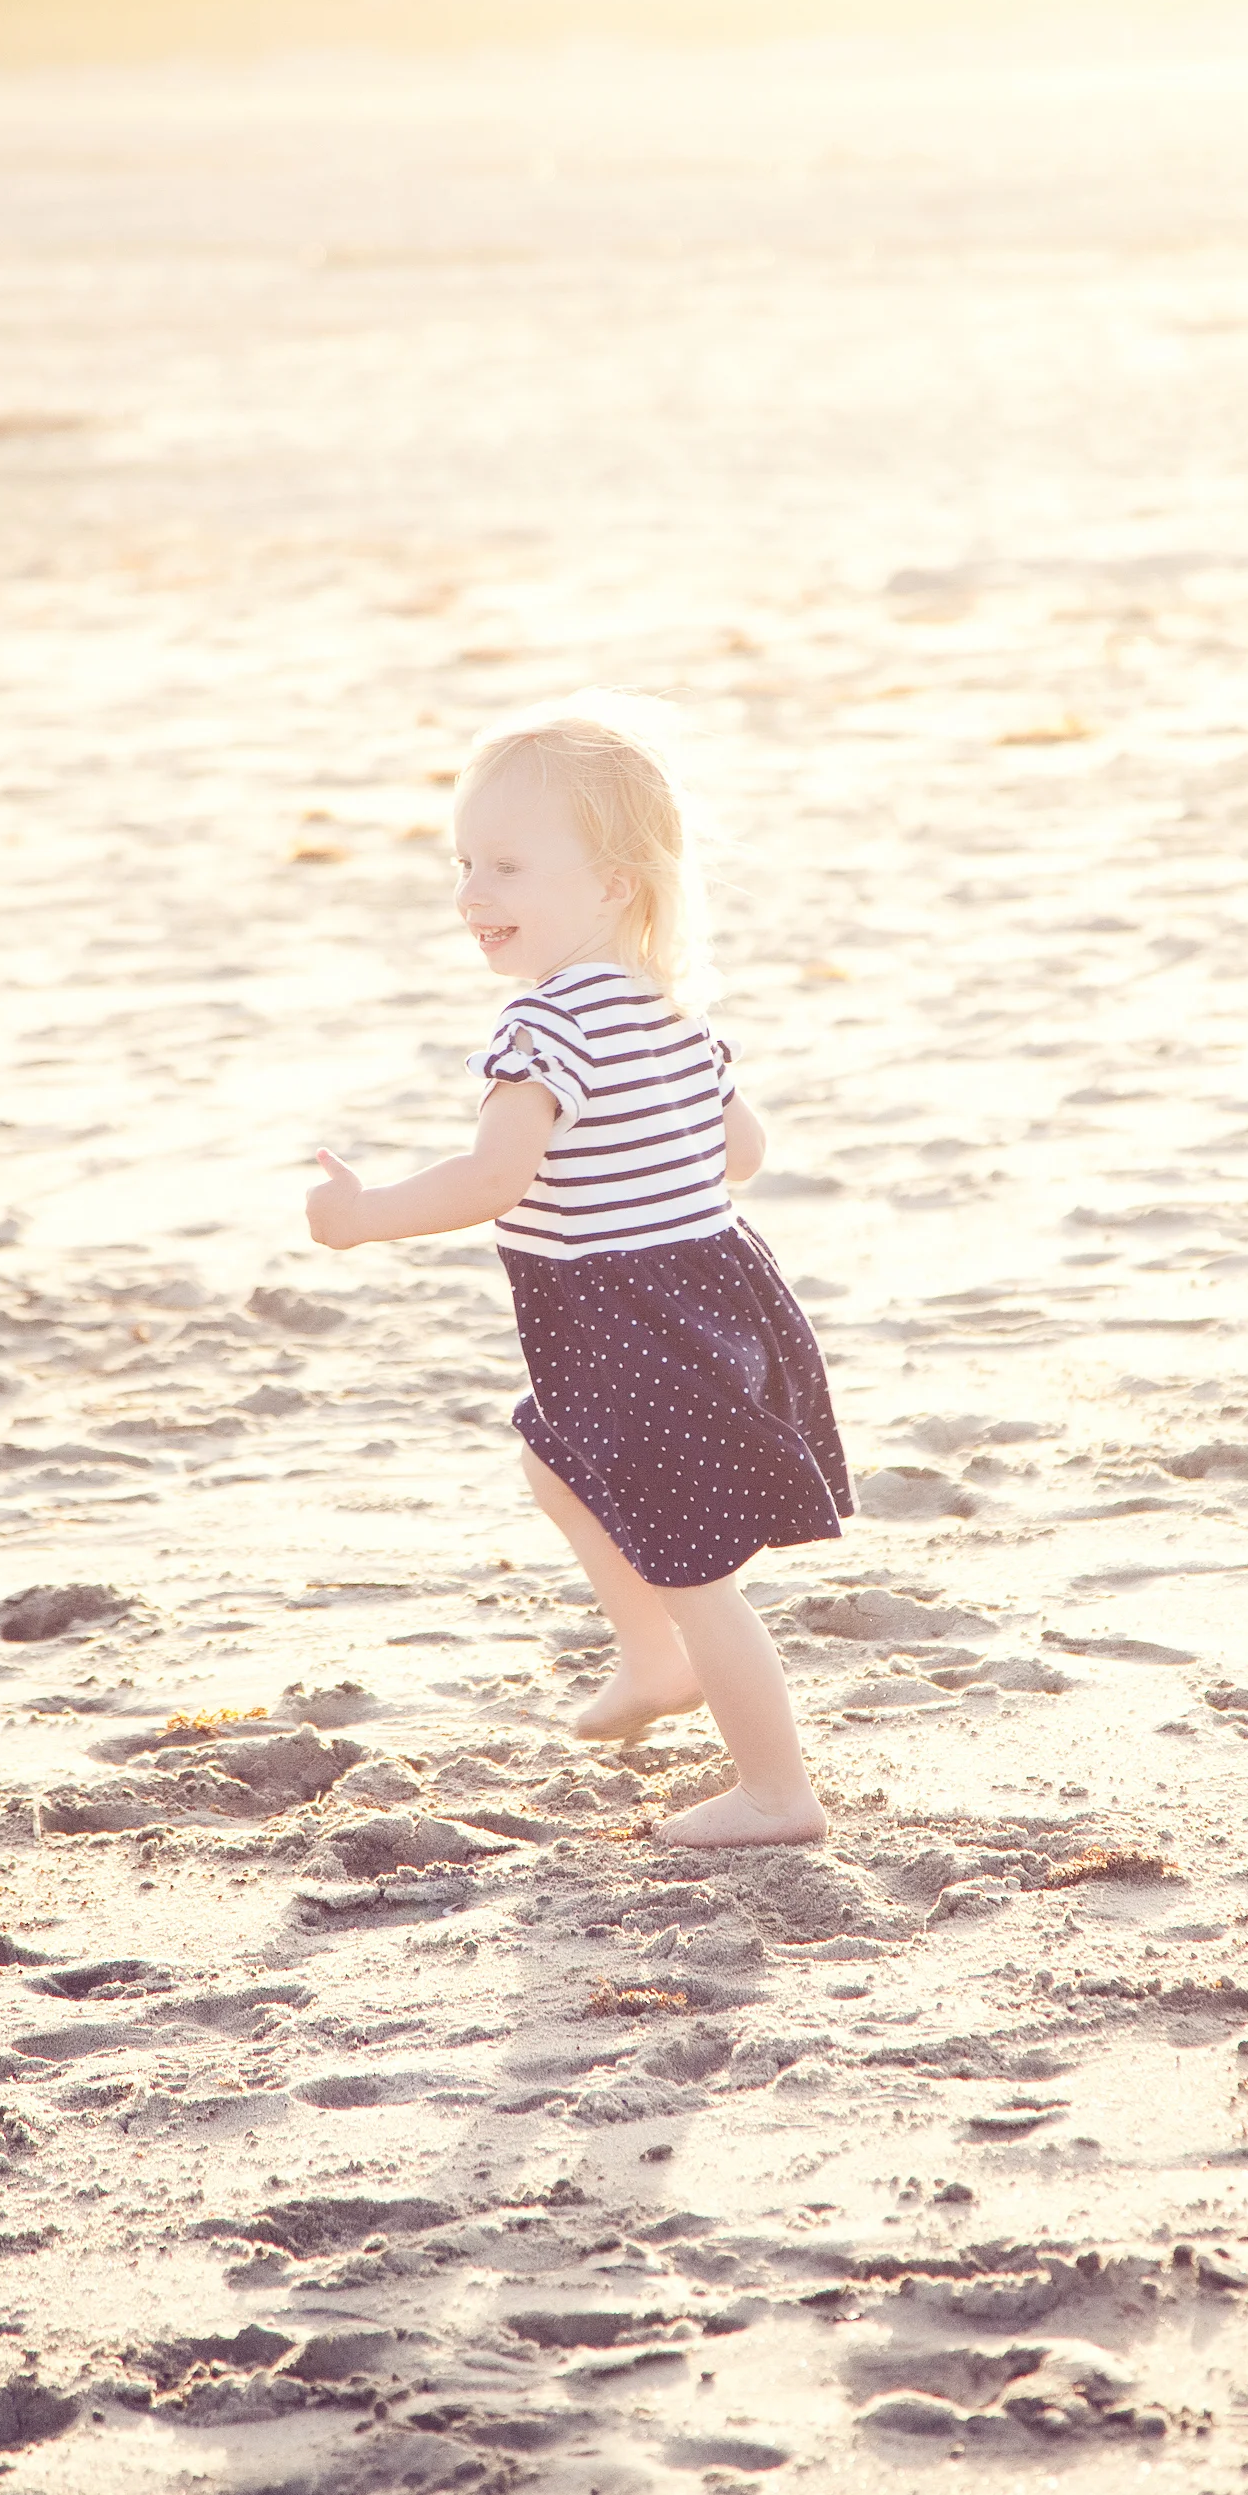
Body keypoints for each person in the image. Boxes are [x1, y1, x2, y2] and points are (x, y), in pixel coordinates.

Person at [304, 691, 852, 1849]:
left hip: (628, 1321)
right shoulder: (668, 1016)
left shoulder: (541, 1031)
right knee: (554, 1462)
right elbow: (742, 1151)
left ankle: (774, 1792)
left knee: (695, 1567)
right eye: (463, 863)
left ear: (612, 885)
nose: (471, 894)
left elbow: (490, 1180)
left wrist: (361, 1217)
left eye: (506, 865)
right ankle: (651, 1663)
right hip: (710, 1295)